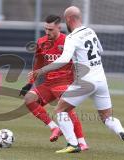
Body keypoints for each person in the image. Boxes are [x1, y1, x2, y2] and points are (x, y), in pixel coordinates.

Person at [30, 6, 124, 153]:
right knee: (107, 117)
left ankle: (73, 144)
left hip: (85, 81)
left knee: (60, 110)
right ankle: (122, 132)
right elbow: (100, 50)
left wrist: (42, 70)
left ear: (69, 19)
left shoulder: (71, 37)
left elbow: (64, 59)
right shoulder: (90, 31)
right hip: (101, 79)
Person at [20, 14, 88, 151]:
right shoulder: (41, 42)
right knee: (29, 99)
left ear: (59, 27)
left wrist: (78, 81)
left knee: (67, 110)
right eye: (46, 29)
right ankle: (55, 128)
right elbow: (38, 63)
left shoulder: (68, 41)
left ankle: (82, 142)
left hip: (65, 82)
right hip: (49, 83)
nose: (47, 32)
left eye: (51, 29)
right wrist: (30, 82)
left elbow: (79, 62)